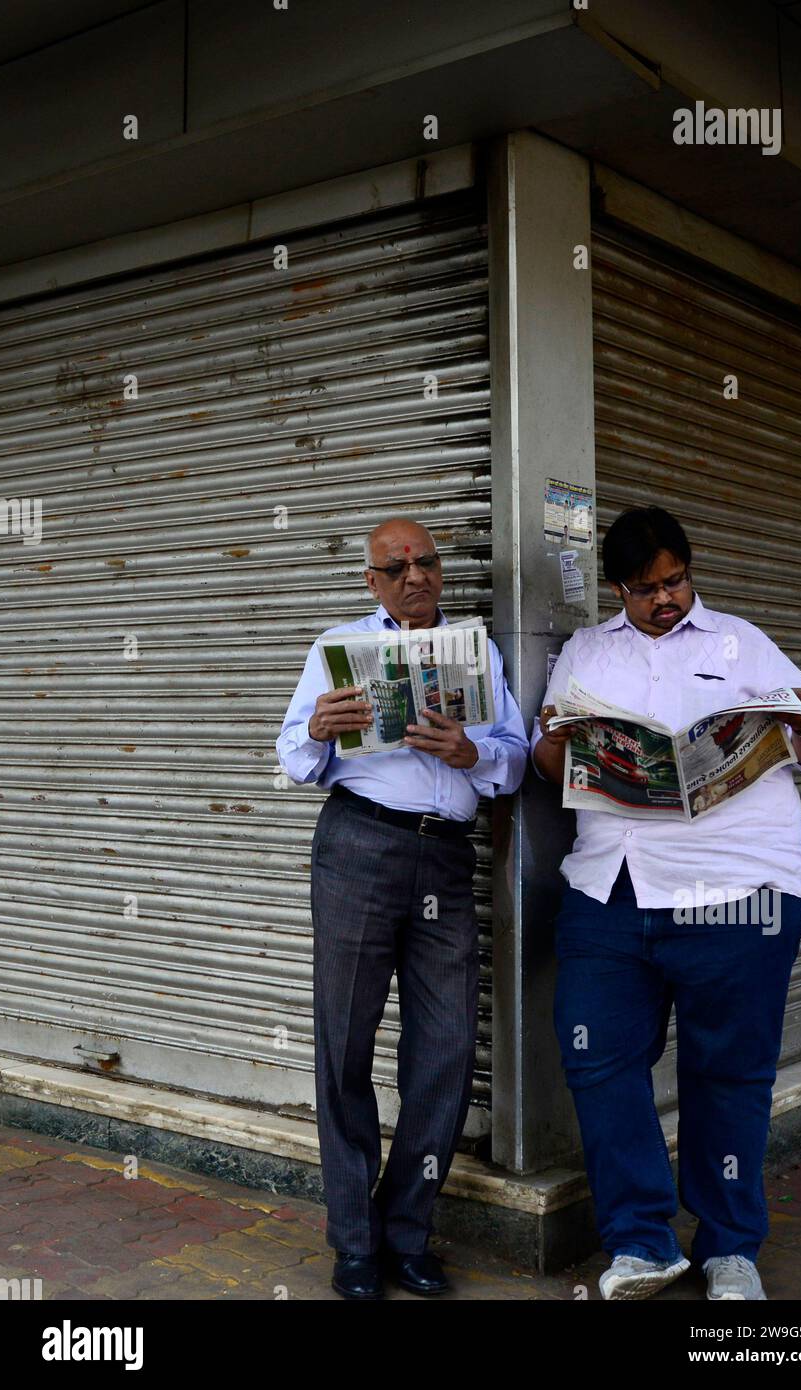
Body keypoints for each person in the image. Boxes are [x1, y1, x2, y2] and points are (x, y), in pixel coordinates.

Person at [531, 506, 801, 1302]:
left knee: (728, 1074)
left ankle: (729, 1250)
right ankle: (639, 1242)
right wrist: (551, 734)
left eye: (674, 582)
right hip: (612, 888)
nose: (663, 600)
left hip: (737, 893)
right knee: (596, 1061)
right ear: (617, 589)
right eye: (645, 590)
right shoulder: (584, 651)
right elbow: (547, 768)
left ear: (688, 573)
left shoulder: (740, 643)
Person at [277, 517, 528, 1300]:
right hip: (358, 845)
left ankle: (407, 1233)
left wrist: (473, 752)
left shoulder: (476, 652)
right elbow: (291, 756)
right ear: (372, 582)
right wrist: (319, 727)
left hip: (444, 858)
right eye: (397, 567)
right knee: (345, 1043)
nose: (415, 577)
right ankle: (354, 1243)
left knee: (446, 1049)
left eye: (426, 562)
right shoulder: (335, 647)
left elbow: (517, 761)